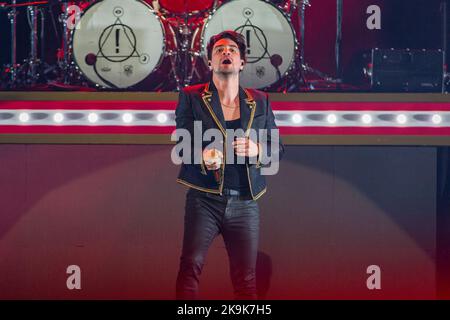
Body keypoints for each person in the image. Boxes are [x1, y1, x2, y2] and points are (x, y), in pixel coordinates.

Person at [174, 30, 284, 300]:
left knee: (246, 278)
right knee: (191, 267)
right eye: (219, 50)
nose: (226, 53)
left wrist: (257, 149)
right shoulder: (191, 97)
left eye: (232, 50)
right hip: (204, 199)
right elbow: (181, 145)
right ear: (210, 62)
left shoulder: (260, 101)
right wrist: (202, 156)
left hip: (246, 201)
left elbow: (277, 148)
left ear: (242, 62)